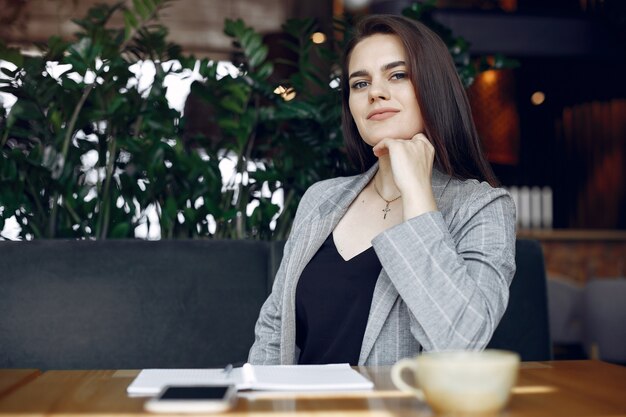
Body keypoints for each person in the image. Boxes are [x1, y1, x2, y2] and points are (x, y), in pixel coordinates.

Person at [248, 14, 516, 366]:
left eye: (398, 75)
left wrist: (418, 192)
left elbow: (461, 342)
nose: (375, 92)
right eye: (360, 84)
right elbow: (274, 329)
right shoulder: (321, 199)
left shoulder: (482, 208)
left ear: (432, 87)